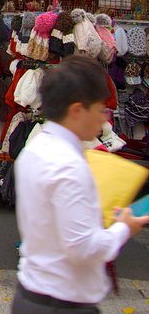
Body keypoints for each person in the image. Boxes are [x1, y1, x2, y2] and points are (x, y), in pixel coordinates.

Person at [12, 55, 149, 314]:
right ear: (77, 110)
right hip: (63, 304)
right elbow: (83, 248)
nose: (104, 121)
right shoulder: (70, 165)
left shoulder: (36, 148)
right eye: (100, 110)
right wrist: (124, 228)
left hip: (31, 295)